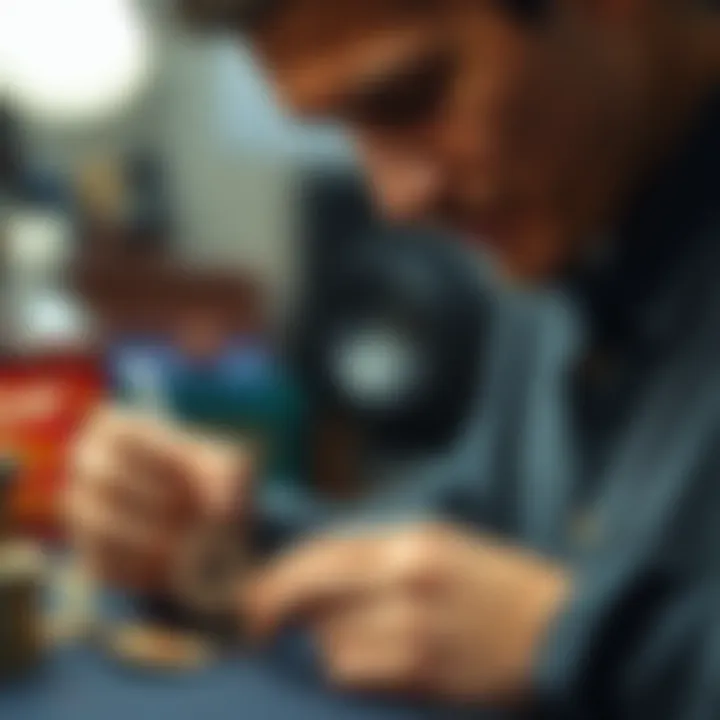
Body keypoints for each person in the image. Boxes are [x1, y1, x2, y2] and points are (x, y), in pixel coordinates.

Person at [65, 0, 720, 716]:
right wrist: (231, 546)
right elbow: (485, 533)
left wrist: (577, 644)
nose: (396, 199)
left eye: (411, 98)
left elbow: (543, 619)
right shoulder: (574, 213)